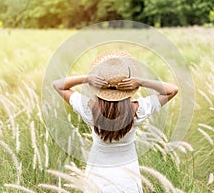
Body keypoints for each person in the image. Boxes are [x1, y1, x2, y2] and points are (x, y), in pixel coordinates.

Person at [53, 50, 178, 193]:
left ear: (98, 87)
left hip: (97, 174)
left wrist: (87, 78)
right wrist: (140, 82)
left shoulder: (89, 109)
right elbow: (172, 90)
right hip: (128, 175)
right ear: (128, 86)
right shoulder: (137, 110)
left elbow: (58, 85)